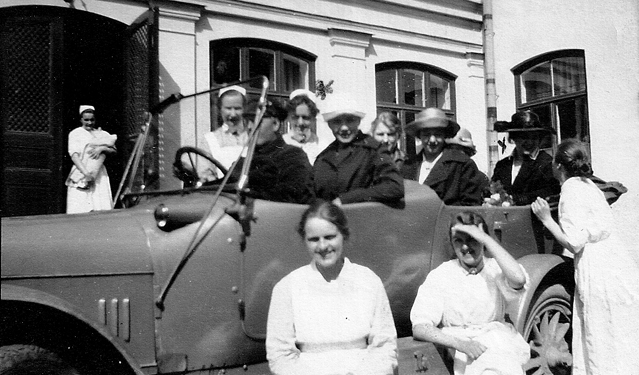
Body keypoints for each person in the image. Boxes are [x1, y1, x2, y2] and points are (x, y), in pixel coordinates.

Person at [531, 138, 639, 375]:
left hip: (596, 265)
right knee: (617, 331)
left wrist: (546, 219)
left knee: (598, 330)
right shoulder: (589, 185)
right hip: (616, 259)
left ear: (559, 166)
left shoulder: (569, 189)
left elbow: (573, 242)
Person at [266, 200, 398, 375]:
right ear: (304, 241)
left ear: (344, 235)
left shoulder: (368, 280)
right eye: (314, 239)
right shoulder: (287, 288)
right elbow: (280, 356)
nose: (322, 246)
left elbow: (385, 346)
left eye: (329, 237)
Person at [410, 211, 530, 375]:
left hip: (496, 342)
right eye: (458, 241)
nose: (465, 247)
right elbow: (420, 327)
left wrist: (486, 238)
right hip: (460, 347)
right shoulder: (442, 275)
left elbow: (518, 279)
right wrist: (460, 344)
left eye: (472, 239)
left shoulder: (495, 269)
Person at [312, 107, 404, 205]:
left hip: (359, 217)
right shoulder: (323, 157)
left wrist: (347, 199)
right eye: (337, 121)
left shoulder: (373, 150)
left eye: (350, 120)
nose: (344, 128)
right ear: (329, 124)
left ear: (358, 121)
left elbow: (394, 187)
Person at [231, 98, 314, 204]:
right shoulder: (242, 163)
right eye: (247, 121)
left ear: (275, 124)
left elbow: (292, 198)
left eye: (256, 121)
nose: (250, 127)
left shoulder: (293, 157)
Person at [401, 108, 486, 206]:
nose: (432, 140)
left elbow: (470, 207)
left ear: (445, 135)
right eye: (426, 135)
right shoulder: (408, 166)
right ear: (419, 136)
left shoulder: (461, 165)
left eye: (437, 135)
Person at [492, 110, 560, 206]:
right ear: (514, 138)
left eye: (534, 138)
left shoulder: (547, 163)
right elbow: (494, 189)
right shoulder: (502, 165)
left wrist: (515, 200)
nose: (529, 142)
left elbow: (549, 193)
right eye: (524, 137)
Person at [66, 105, 117, 214]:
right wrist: (86, 174)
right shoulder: (75, 134)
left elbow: (114, 150)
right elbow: (74, 155)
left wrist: (102, 148)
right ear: (81, 120)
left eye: (92, 120)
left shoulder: (102, 134)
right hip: (81, 171)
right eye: (86, 120)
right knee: (80, 206)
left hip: (99, 173)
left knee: (100, 205)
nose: (89, 123)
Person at [205, 86, 249, 174]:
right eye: (228, 108)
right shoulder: (210, 139)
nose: (233, 114)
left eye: (237, 108)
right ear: (220, 109)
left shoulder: (253, 136)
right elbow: (206, 173)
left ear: (244, 109)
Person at [283, 89, 322, 165]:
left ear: (313, 119)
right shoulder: (281, 144)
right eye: (295, 117)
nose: (300, 123)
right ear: (288, 118)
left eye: (305, 118)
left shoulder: (322, 147)